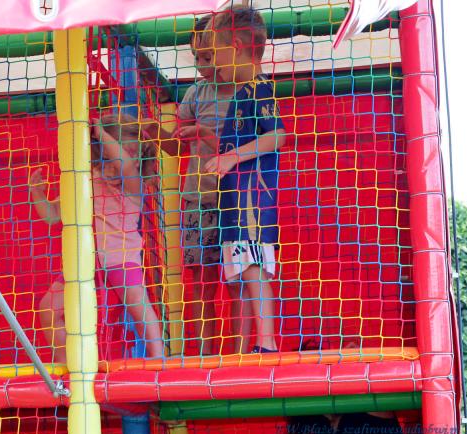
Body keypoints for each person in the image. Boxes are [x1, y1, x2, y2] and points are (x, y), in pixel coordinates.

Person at [30, 114, 164, 363]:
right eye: (109, 156)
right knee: (48, 309)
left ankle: (158, 360)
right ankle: (67, 362)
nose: (120, 162)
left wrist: (100, 132)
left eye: (131, 155)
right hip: (85, 261)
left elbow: (124, 164)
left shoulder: (132, 184)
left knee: (139, 308)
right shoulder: (86, 180)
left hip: (121, 259)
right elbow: (52, 214)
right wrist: (37, 193)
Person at [145, 14, 236, 355]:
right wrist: (153, 130)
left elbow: (247, 147)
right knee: (201, 280)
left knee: (239, 278)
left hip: (235, 197)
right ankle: (205, 354)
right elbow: (175, 147)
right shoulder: (196, 93)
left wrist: (205, 134)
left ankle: (238, 354)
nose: (202, 65)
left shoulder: (246, 91)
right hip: (198, 196)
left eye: (208, 57)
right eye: (197, 57)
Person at [203, 6, 287, 353]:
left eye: (215, 53)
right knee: (240, 271)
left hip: (252, 198)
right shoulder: (241, 93)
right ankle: (243, 349)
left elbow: (277, 135)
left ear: (236, 46)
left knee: (253, 266)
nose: (213, 64)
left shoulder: (258, 88)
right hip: (235, 200)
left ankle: (266, 343)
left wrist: (231, 157)